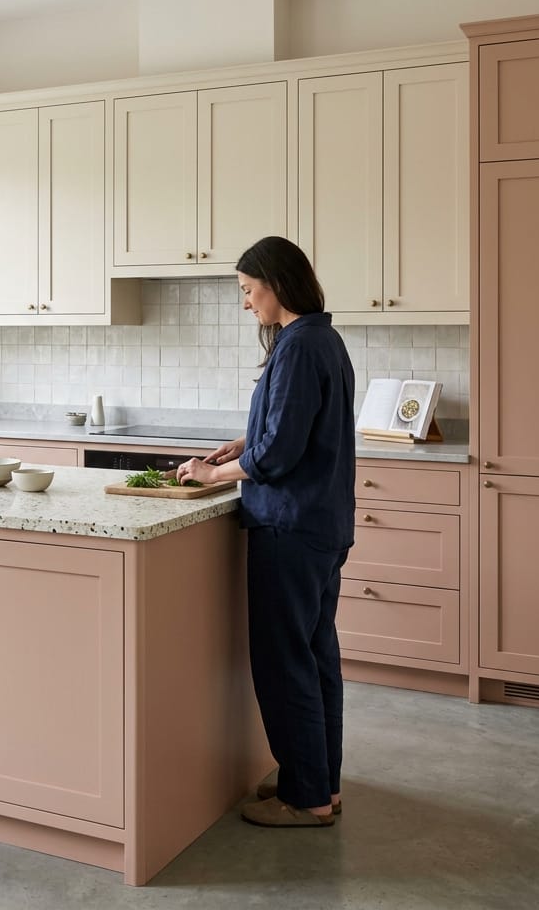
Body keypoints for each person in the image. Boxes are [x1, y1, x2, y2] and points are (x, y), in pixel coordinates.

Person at [174, 236, 355, 828]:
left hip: (290, 527)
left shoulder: (300, 346)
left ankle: (305, 799)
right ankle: (319, 782)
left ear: (276, 283)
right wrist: (243, 443)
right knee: (316, 655)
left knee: (285, 663)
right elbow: (291, 431)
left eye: (249, 291)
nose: (247, 303)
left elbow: (280, 453)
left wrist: (212, 473)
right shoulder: (321, 338)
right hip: (321, 525)